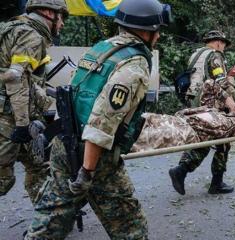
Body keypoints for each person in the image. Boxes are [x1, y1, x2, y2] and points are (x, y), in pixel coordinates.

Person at [24, 0, 172, 239]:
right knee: (131, 229)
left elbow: (73, 93)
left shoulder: (102, 49)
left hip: (65, 142)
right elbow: (103, 120)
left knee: (50, 221)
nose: (159, 36)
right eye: (158, 31)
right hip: (93, 157)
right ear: (148, 30)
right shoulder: (134, 63)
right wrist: (87, 171)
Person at [0, 0, 68, 204]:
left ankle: (48, 219)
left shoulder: (11, 28)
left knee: (39, 166)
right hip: (11, 119)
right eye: (61, 16)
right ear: (48, 12)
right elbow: (16, 79)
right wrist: (21, 125)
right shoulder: (31, 36)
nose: (62, 23)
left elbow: (28, 81)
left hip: (19, 115)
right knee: (3, 179)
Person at [169, 30, 235, 195]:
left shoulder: (196, 54)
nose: (224, 48)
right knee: (224, 139)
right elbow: (220, 82)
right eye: (223, 44)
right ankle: (215, 182)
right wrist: (231, 86)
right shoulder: (215, 55)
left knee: (203, 139)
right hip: (210, 102)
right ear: (217, 42)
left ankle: (182, 171)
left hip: (194, 100)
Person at [132, 105, 235, 152]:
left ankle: (119, 143)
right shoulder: (223, 113)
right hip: (181, 121)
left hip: (188, 132)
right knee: (146, 118)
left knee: (147, 137)